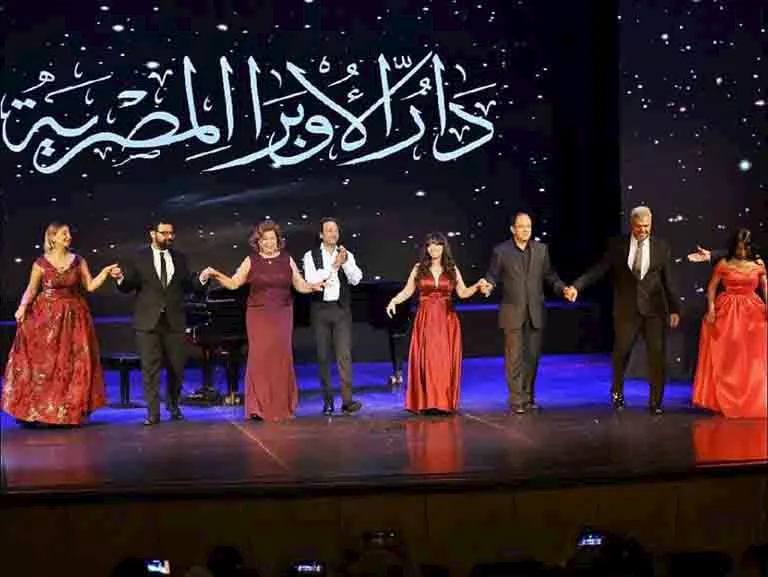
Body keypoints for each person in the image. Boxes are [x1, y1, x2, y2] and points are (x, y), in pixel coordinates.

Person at [201, 220, 323, 421]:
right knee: (260, 358)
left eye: (272, 239)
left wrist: (312, 286)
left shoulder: (287, 259)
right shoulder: (251, 260)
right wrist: (215, 274)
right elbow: (234, 284)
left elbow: (300, 285)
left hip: (283, 314)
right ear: (258, 241)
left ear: (278, 240)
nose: (268, 243)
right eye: (264, 239)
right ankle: (258, 407)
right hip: (258, 315)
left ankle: (282, 407)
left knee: (281, 358)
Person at [566, 206, 681, 414]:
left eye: (646, 226)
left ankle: (656, 402)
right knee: (622, 352)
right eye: (639, 226)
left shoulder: (661, 247)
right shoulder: (618, 245)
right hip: (626, 310)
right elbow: (599, 269)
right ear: (631, 224)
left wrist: (674, 309)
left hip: (654, 311)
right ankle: (617, 392)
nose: (643, 230)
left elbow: (668, 280)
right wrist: (577, 286)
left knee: (657, 355)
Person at [2, 222, 116, 426]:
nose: (68, 236)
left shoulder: (78, 261)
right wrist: (22, 307)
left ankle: (68, 411)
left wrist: (105, 273)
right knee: (47, 364)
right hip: (45, 318)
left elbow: (90, 286)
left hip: (74, 318)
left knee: (73, 364)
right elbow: (31, 289)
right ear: (52, 237)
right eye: (64, 233)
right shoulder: (40, 263)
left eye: (69, 233)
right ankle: (41, 411)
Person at [111, 220, 202, 426]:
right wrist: (120, 278)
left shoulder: (180, 258)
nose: (169, 237)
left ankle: (173, 405)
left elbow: (189, 286)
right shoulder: (139, 257)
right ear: (153, 234)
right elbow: (128, 286)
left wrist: (202, 279)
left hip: (174, 320)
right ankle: (153, 413)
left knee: (176, 367)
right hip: (148, 321)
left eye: (171, 233)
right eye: (164, 233)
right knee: (150, 369)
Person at [479, 212, 569, 414]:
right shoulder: (501, 251)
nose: (526, 230)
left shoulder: (541, 250)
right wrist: (488, 286)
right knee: (514, 359)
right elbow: (492, 276)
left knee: (532, 358)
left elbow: (550, 275)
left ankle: (528, 398)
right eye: (521, 226)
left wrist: (562, 289)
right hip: (512, 312)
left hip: (535, 312)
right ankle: (516, 400)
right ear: (513, 229)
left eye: (528, 226)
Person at [386, 233, 483, 414]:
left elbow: (462, 293)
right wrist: (394, 300)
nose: (434, 248)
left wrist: (477, 286)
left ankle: (443, 402)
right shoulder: (419, 268)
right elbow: (408, 291)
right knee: (427, 360)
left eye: (438, 244)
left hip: (447, 321)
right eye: (430, 245)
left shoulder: (452, 268)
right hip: (426, 320)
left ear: (444, 247)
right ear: (427, 248)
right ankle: (426, 401)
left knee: (443, 361)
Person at [691, 229, 766, 418]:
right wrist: (711, 309)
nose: (742, 252)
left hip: (753, 313)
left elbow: (765, 286)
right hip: (728, 312)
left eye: (745, 248)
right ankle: (725, 399)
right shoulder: (724, 263)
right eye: (739, 248)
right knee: (729, 357)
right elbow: (711, 288)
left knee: (752, 358)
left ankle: (752, 400)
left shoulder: (758, 264)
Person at [302, 217, 363, 416]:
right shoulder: (310, 255)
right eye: (329, 230)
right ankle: (328, 401)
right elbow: (312, 279)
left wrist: (345, 264)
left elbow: (356, 279)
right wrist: (334, 265)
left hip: (341, 309)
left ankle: (347, 401)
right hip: (320, 310)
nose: (333, 234)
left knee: (344, 356)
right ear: (321, 234)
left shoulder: (346, 254)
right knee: (322, 356)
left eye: (335, 230)